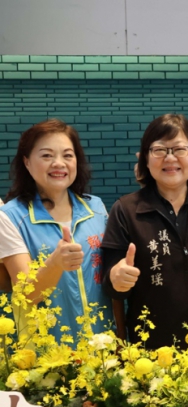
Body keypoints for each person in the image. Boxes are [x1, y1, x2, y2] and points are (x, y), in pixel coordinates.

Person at [102, 114, 188, 349]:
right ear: (145, 158)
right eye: (160, 150)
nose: (170, 157)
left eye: (180, 149)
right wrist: (116, 277)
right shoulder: (125, 210)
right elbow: (109, 282)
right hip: (153, 350)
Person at [0, 119, 111, 339]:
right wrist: (55, 263)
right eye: (47, 155)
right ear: (27, 162)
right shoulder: (10, 217)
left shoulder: (96, 208)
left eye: (68, 155)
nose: (59, 163)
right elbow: (26, 294)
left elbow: (107, 281)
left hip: (102, 347)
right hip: (46, 356)